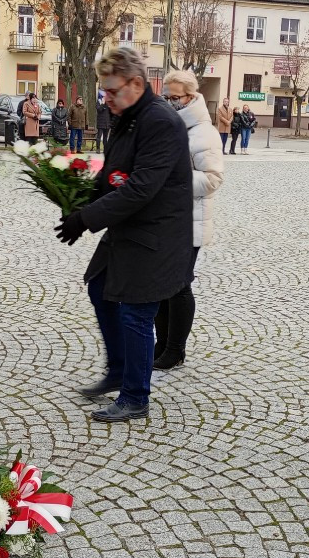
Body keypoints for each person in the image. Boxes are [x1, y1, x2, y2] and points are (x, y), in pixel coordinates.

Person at [55, 47, 192, 423]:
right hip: (129, 228)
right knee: (99, 287)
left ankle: (135, 395)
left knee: (135, 313)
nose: (107, 99)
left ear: (136, 83)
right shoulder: (127, 117)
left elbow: (141, 188)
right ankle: (118, 370)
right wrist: (75, 202)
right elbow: (110, 175)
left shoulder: (159, 121)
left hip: (156, 235)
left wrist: (87, 219)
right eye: (104, 92)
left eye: (112, 91)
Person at [153, 70, 223, 371]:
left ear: (191, 96)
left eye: (175, 97)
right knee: (159, 285)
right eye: (165, 97)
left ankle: (175, 350)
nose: (170, 102)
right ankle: (160, 344)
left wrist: (172, 178)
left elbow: (212, 180)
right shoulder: (167, 126)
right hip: (164, 219)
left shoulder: (203, 132)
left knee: (179, 286)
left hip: (189, 222)